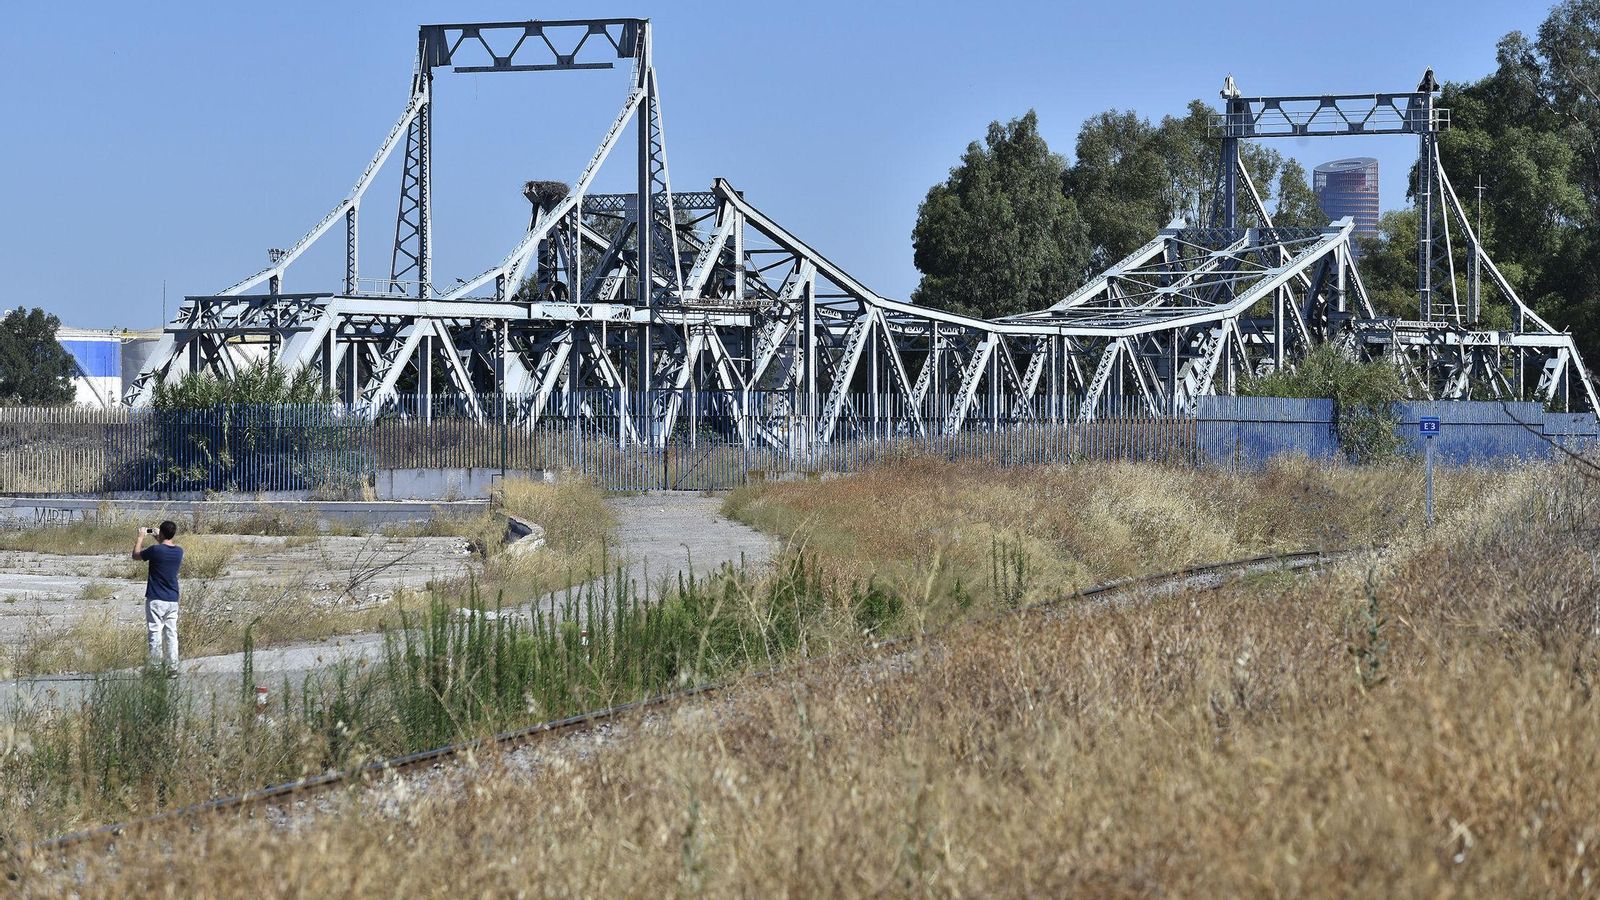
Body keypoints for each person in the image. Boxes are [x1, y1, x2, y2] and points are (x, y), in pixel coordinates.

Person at [133, 520, 184, 670]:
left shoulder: (155, 550)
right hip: (172, 598)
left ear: (161, 533)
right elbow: (166, 548)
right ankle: (173, 666)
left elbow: (136, 555)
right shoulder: (179, 551)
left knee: (155, 632)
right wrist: (159, 537)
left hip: (156, 597)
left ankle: (155, 667)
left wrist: (141, 537)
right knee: (171, 633)